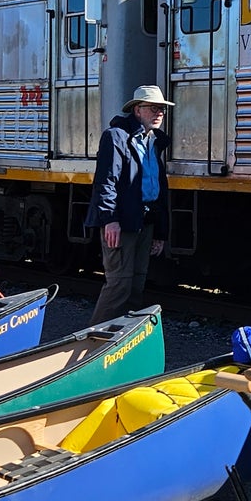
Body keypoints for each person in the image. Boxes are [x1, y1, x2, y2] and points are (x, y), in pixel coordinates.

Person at [84, 84, 172, 325]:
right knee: (119, 285)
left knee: (136, 284)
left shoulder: (154, 142)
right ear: (137, 110)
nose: (159, 113)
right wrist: (110, 220)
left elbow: (159, 189)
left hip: (146, 221)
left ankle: (121, 340)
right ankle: (95, 341)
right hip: (122, 221)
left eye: (162, 109)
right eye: (153, 108)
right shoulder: (116, 137)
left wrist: (160, 232)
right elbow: (105, 182)